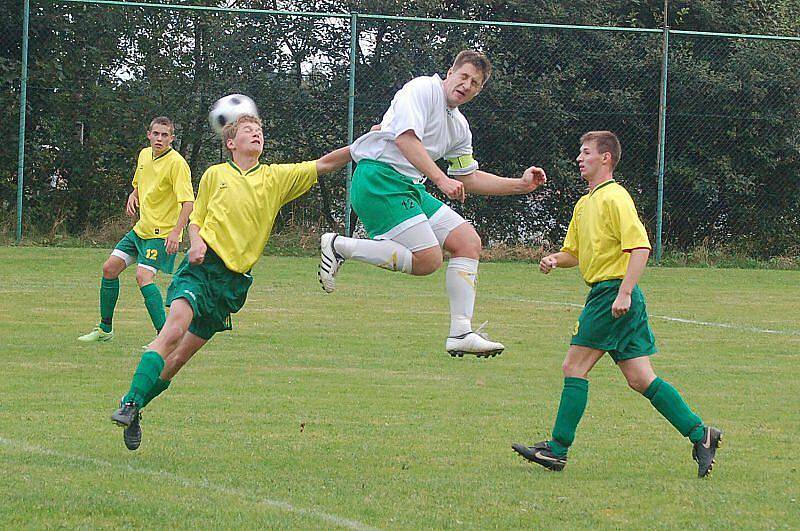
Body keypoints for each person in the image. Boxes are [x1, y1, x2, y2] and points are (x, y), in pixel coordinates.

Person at [109, 114, 351, 451]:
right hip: (202, 269)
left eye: (260, 131)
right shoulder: (215, 175)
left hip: (233, 284)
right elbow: (196, 219)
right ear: (230, 143)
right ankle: (131, 402)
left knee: (177, 361)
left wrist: (366, 144)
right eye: (249, 131)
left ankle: (135, 407)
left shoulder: (275, 178)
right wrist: (195, 241)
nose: (257, 135)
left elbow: (325, 164)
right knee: (173, 330)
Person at [511, 131, 722, 477]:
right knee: (640, 378)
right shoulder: (584, 204)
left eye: (586, 152)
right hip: (614, 295)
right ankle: (701, 434)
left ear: (606, 158)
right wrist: (554, 259)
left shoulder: (616, 197)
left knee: (573, 367)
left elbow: (640, 248)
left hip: (612, 294)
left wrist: (624, 292)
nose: (579, 158)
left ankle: (557, 449)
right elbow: (574, 253)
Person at [318, 50, 547, 358]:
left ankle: (461, 332)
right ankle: (339, 246)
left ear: (479, 91)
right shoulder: (422, 88)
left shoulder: (459, 126)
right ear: (449, 73)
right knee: (428, 261)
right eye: (463, 76)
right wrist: (441, 180)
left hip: (407, 187)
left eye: (475, 83)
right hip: (378, 179)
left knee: (468, 241)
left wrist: (520, 185)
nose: (466, 85)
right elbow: (405, 140)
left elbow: (467, 176)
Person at [78, 116, 194, 344]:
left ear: (172, 138)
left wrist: (176, 232)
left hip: (161, 234)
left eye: (165, 135)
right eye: (156, 134)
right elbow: (140, 183)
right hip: (141, 230)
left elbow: (188, 203)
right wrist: (134, 195)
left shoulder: (177, 164)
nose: (159, 138)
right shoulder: (144, 155)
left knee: (143, 277)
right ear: (149, 135)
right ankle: (105, 329)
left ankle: (164, 338)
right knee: (109, 269)